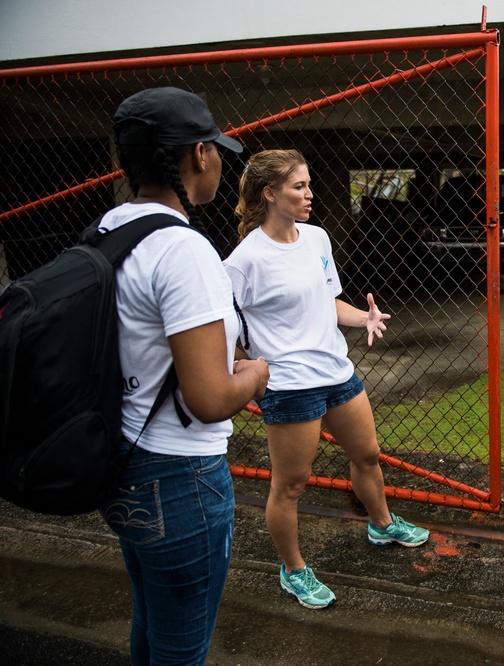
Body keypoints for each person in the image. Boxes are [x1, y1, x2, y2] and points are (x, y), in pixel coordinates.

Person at [98, 87, 270, 664]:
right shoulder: (181, 249)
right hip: (179, 479)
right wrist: (258, 374)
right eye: (216, 150)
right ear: (198, 155)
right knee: (182, 648)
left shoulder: (109, 231)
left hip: (119, 460)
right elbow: (209, 397)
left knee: (150, 622)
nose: (220, 161)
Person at [224, 149, 430, 610]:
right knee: (292, 485)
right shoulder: (245, 260)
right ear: (269, 193)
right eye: (299, 186)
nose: (310, 194)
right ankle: (293, 569)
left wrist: (363, 318)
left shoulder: (317, 238)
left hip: (337, 371)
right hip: (290, 386)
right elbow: (221, 324)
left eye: (309, 184)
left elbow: (328, 301)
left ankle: (381, 523)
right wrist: (248, 365)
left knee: (369, 455)